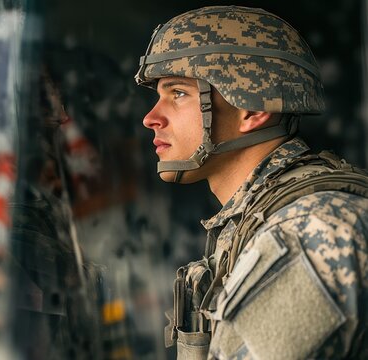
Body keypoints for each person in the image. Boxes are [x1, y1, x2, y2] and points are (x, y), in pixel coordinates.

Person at [134, 5, 368, 359]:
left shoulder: (309, 229)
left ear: (254, 110)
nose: (150, 118)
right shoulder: (260, 218)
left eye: (178, 93)